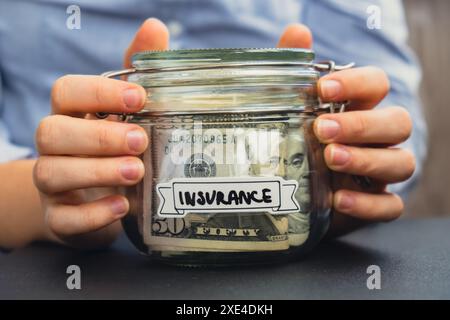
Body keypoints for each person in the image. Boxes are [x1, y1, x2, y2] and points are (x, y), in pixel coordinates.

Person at [0, 0, 426, 250]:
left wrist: (351, 167)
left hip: (316, 238)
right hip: (37, 245)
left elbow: (391, 99)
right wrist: (64, 196)